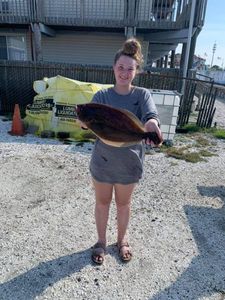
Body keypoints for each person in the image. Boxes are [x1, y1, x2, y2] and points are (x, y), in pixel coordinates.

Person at [81, 38, 162, 264]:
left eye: (130, 69)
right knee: (102, 203)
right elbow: (89, 120)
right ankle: (100, 242)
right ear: (113, 69)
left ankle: (122, 240)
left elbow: (150, 115)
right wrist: (83, 122)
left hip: (130, 162)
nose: (124, 73)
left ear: (136, 71)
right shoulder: (102, 96)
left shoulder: (142, 95)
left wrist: (153, 124)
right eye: (120, 68)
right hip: (103, 161)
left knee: (124, 204)